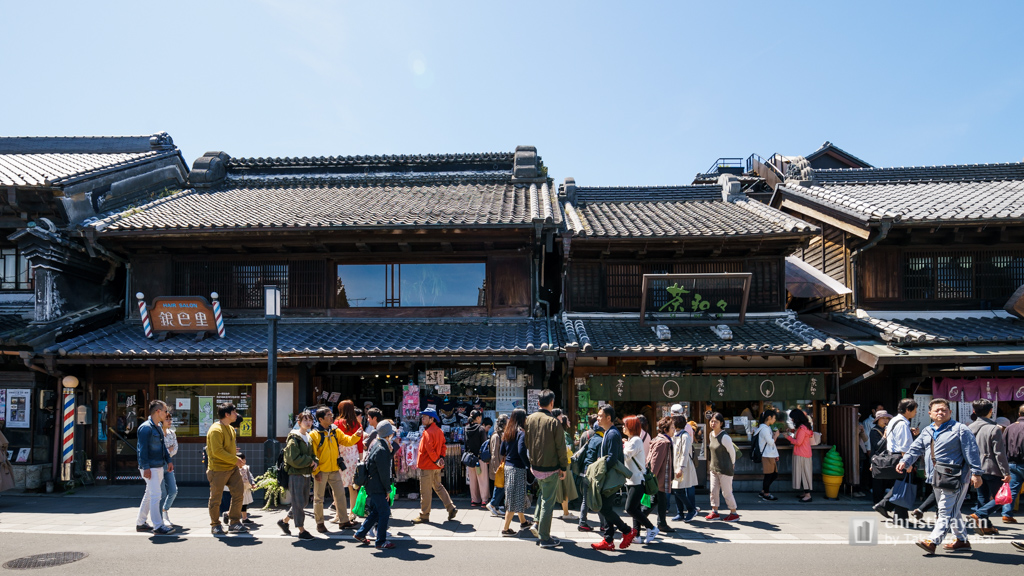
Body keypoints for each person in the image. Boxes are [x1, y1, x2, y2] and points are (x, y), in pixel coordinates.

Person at [896, 398, 984, 555]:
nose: (940, 412)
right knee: (952, 510)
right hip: (935, 477)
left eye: (944, 410)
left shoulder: (960, 429)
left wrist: (976, 473)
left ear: (950, 412)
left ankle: (933, 540)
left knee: (945, 510)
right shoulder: (928, 430)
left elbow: (972, 452)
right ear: (930, 413)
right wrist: (905, 461)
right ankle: (962, 540)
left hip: (956, 478)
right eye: (937, 410)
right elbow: (915, 449)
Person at [524, 390, 568, 548]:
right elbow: (561, 448)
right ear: (552, 403)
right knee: (548, 501)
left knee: (543, 496)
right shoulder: (554, 422)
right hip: (550, 467)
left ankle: (536, 524)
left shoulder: (529, 419)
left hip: (535, 466)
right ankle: (544, 537)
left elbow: (527, 443)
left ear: (538, 403)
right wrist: (563, 467)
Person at [310, 407, 361, 532]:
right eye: (328, 415)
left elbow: (346, 441)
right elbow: (312, 456)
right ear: (321, 419)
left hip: (334, 469)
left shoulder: (334, 430)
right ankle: (320, 523)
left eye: (331, 414)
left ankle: (344, 521)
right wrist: (315, 472)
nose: (331, 416)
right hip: (321, 471)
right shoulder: (314, 434)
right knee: (318, 498)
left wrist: (356, 436)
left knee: (341, 495)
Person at [590, 405, 634, 551]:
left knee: (604, 508)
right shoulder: (609, 432)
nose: (598, 418)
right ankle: (608, 539)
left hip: (610, 478)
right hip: (608, 477)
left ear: (609, 418)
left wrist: (600, 472)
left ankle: (626, 530)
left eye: (600, 415)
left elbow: (612, 458)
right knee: (605, 508)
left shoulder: (613, 434)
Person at [967, 399, 1011, 536]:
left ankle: (986, 526)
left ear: (974, 411)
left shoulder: (969, 428)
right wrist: (1006, 472)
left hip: (976, 469)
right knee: (1003, 498)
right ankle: (979, 514)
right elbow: (999, 453)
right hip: (992, 468)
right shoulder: (994, 429)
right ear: (991, 411)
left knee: (983, 498)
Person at [353, 420, 398, 550]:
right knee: (384, 512)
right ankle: (381, 541)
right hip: (377, 486)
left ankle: (360, 533)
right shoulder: (382, 449)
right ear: (389, 434)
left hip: (371, 484)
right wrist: (388, 489)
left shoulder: (377, 444)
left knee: (376, 511)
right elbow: (384, 473)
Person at [206, 402, 246, 535]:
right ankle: (215, 524)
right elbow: (217, 451)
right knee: (216, 498)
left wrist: (235, 458)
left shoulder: (230, 428)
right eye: (234, 412)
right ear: (227, 414)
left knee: (239, 493)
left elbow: (229, 449)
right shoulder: (215, 430)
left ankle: (234, 522)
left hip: (232, 468)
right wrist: (235, 460)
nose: (237, 414)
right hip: (217, 469)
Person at [874, 400, 917, 520]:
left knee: (901, 484)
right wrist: (907, 462)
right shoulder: (902, 424)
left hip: (895, 455)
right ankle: (890, 509)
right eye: (914, 410)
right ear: (908, 410)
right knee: (903, 484)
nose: (916, 412)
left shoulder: (894, 420)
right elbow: (904, 445)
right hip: (901, 456)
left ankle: (896, 513)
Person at [278, 411, 318, 540]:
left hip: (306, 473)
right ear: (299, 422)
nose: (308, 422)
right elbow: (292, 459)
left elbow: (312, 454)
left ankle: (284, 521)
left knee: (303, 502)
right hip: (296, 474)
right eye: (305, 420)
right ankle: (301, 530)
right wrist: (310, 461)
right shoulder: (294, 437)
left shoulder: (308, 437)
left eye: (310, 420)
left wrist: (315, 461)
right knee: (299, 502)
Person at [136, 400, 174, 535]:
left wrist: (168, 460)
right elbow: (142, 449)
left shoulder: (157, 426)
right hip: (150, 467)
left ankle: (140, 523)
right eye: (165, 411)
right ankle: (158, 526)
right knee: (156, 495)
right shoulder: (146, 428)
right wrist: (145, 467)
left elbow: (163, 446)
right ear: (158, 411)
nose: (166, 413)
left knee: (149, 494)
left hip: (157, 465)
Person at [414, 408, 457, 523]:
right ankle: (451, 507)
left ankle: (424, 515)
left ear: (431, 419)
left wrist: (436, 460)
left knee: (425, 491)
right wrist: (440, 459)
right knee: (438, 486)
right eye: (422, 417)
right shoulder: (438, 431)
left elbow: (429, 449)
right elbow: (443, 446)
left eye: (425, 417)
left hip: (428, 466)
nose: (422, 419)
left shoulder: (428, 432)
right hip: (436, 466)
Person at [622, 415, 658, 543]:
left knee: (630, 509)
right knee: (635, 509)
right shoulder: (631, 440)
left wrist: (620, 447)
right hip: (632, 479)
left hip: (637, 480)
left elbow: (625, 456)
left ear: (631, 427)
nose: (622, 427)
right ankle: (636, 535)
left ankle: (651, 527)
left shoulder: (636, 440)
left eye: (624, 425)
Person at [500, 408, 534, 536]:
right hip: (517, 469)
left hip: (508, 467)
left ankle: (523, 522)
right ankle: (505, 529)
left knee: (517, 495)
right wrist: (528, 464)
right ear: (522, 419)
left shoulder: (507, 432)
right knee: (513, 499)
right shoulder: (521, 433)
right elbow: (521, 451)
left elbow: (501, 451)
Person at [706, 412, 739, 522]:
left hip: (725, 468)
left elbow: (732, 452)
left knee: (727, 492)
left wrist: (732, 464)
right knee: (713, 491)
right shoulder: (711, 434)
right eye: (711, 421)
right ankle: (714, 512)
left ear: (721, 423)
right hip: (714, 468)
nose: (713, 423)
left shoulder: (725, 437)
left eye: (716, 421)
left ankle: (733, 513)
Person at [645, 416, 675, 533]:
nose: (674, 430)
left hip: (660, 478)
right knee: (655, 501)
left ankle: (661, 522)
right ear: (665, 429)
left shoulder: (660, 440)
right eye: (672, 427)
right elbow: (655, 462)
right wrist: (652, 478)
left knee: (659, 501)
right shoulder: (663, 442)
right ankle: (640, 518)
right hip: (659, 479)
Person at [577, 415, 605, 532]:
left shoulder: (591, 439)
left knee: (585, 499)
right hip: (594, 473)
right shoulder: (601, 441)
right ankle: (604, 525)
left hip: (585, 471)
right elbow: (600, 459)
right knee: (598, 498)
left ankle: (582, 523)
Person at [335, 400, 363, 513]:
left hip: (340, 454)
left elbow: (335, 441)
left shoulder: (337, 423)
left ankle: (339, 514)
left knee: (338, 485)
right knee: (353, 485)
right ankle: (352, 512)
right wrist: (361, 458)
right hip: (353, 454)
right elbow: (360, 443)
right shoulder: (357, 424)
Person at [670, 414, 699, 521]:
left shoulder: (685, 436)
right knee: (677, 489)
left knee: (678, 490)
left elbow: (685, 453)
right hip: (676, 466)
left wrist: (681, 468)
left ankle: (691, 509)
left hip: (684, 467)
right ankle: (680, 513)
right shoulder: (675, 434)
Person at [552, 412, 579, 521]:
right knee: (564, 489)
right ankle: (565, 513)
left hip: (559, 464)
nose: (569, 422)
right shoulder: (564, 435)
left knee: (562, 489)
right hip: (564, 464)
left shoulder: (558, 433)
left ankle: (566, 512)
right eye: (567, 420)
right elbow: (567, 449)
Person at [464, 410, 491, 508]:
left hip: (470, 458)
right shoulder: (481, 429)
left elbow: (466, 444)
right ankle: (484, 500)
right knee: (482, 479)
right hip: (480, 459)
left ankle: (474, 500)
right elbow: (484, 445)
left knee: (473, 480)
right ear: (478, 418)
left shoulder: (466, 428)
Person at [1002, 404, 1024, 524]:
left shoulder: (1009, 428)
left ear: (1019, 414)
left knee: (1012, 490)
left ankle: (1006, 514)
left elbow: (1003, 446)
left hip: (1011, 462)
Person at [869, 409, 894, 507]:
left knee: (885, 481)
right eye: (883, 418)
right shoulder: (874, 431)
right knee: (877, 482)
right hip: (877, 459)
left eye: (887, 418)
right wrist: (884, 437)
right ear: (878, 420)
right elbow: (877, 446)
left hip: (887, 458)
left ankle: (883, 503)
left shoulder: (888, 430)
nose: (885, 420)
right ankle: (877, 502)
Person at [788, 408, 814, 502]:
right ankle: (805, 493)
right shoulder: (804, 427)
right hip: (804, 453)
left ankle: (808, 495)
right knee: (804, 473)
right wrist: (792, 431)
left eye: (792, 418)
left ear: (797, 418)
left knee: (804, 474)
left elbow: (798, 442)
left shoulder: (802, 428)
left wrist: (788, 437)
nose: (792, 420)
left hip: (801, 453)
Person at [159, 407, 179, 528]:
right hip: (158, 465)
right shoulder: (157, 433)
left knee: (173, 490)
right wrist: (168, 450)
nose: (170, 421)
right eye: (167, 419)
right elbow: (160, 451)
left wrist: (168, 451)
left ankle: (164, 510)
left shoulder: (172, 433)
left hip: (168, 464)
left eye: (170, 419)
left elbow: (175, 449)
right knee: (161, 492)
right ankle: (161, 518)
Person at [486, 414, 508, 517]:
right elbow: (494, 454)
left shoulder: (501, 434)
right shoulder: (496, 436)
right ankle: (493, 504)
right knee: (500, 487)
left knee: (501, 487)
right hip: (498, 467)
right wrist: (496, 469)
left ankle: (497, 506)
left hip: (501, 465)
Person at [755, 410, 780, 501]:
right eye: (774, 418)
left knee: (772, 475)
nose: (774, 420)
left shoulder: (765, 427)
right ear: (769, 417)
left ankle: (763, 491)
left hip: (769, 454)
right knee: (770, 475)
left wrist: (776, 454)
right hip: (767, 455)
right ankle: (766, 493)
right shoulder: (765, 429)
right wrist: (776, 435)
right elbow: (770, 442)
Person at [237, 453, 256, 524]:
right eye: (242, 459)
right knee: (239, 503)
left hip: (246, 488)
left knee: (244, 503)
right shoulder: (235, 468)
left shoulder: (246, 467)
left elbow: (250, 476)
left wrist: (252, 483)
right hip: (238, 489)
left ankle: (244, 518)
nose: (244, 461)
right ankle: (228, 514)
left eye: (244, 459)